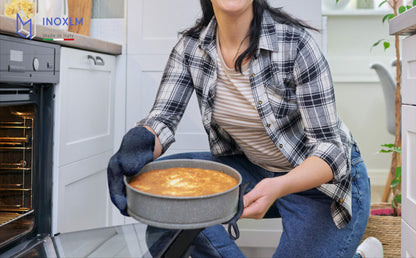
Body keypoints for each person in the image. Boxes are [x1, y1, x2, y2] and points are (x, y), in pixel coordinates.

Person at [107, 0, 376, 257]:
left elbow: (331, 151)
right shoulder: (190, 48)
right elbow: (162, 120)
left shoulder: (295, 43)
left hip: (323, 185)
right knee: (163, 200)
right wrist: (136, 144)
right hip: (254, 169)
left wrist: (278, 186)